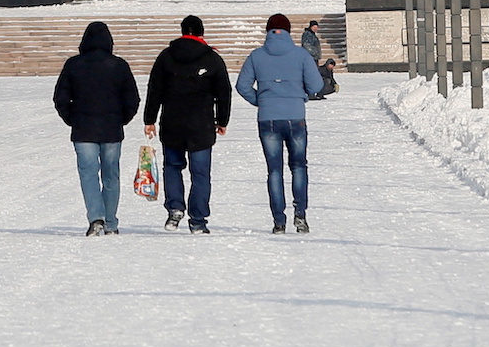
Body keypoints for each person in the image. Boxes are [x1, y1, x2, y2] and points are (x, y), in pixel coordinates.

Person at [239, 12, 328, 234]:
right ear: (288, 31)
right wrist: (301, 94)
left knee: (274, 170)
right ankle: (300, 215)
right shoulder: (301, 55)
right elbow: (316, 84)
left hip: (268, 118)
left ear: (268, 31)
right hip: (295, 115)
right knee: (298, 166)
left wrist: (261, 100)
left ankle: (279, 220)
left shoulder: (256, 56)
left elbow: (242, 86)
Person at [142, 12, 231, 233]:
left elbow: (155, 89)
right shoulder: (212, 58)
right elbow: (224, 92)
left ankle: (175, 209)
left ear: (182, 32)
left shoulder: (166, 56)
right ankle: (198, 220)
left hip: (172, 122)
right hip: (201, 124)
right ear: (202, 33)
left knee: (172, 167)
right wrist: (222, 120)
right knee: (200, 173)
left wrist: (150, 119)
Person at [52, 19, 140, 236]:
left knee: (89, 175)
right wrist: (122, 119)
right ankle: (110, 222)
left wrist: (72, 118)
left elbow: (60, 98)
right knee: (111, 176)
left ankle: (96, 218)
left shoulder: (73, 64)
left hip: (83, 129)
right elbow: (132, 99)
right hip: (111, 128)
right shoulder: (119, 65)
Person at [301, 19, 342, 96]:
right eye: (314, 26)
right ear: (310, 27)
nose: (316, 28)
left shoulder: (312, 35)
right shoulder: (307, 34)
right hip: (310, 59)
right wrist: (315, 53)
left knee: (314, 76)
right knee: (311, 76)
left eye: (317, 27)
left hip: (313, 58)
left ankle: (316, 93)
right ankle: (311, 94)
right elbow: (306, 45)